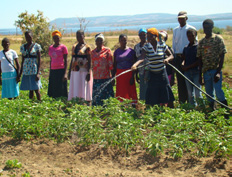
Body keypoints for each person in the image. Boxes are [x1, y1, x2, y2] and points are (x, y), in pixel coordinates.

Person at [132, 28, 174, 106]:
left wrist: (167, 59)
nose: (149, 38)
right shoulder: (146, 46)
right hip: (152, 74)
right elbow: (142, 57)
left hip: (162, 74)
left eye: (151, 36)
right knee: (152, 94)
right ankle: (153, 112)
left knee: (166, 91)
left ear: (155, 36)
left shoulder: (162, 44)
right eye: (148, 36)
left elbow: (171, 55)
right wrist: (135, 65)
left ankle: (170, 109)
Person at [197, 19, 229, 111]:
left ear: (212, 27)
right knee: (209, 93)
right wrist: (200, 75)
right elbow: (199, 59)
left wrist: (218, 72)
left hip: (215, 71)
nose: (206, 30)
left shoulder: (218, 39)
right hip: (206, 71)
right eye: (205, 28)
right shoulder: (202, 42)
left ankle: (226, 111)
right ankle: (213, 111)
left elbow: (222, 55)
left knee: (219, 92)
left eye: (208, 28)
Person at [172, 11, 197, 104]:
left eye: (182, 18)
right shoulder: (175, 30)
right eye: (179, 18)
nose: (181, 20)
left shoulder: (191, 29)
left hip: (188, 58)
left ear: (186, 18)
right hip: (178, 57)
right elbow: (174, 44)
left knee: (189, 79)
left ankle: (192, 101)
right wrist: (174, 57)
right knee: (180, 80)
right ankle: (182, 100)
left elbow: (195, 44)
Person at [68, 30, 93, 104]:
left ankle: (84, 101)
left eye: (80, 36)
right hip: (74, 70)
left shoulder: (87, 47)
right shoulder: (74, 46)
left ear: (84, 36)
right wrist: (69, 71)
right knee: (76, 85)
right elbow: (72, 59)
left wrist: (89, 72)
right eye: (77, 36)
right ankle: (76, 101)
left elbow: (89, 60)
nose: (78, 38)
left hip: (84, 70)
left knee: (83, 86)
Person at [113, 34, 137, 103]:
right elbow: (114, 65)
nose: (123, 42)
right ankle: (122, 107)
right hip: (120, 75)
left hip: (129, 74)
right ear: (119, 41)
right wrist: (113, 77)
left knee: (131, 90)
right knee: (121, 91)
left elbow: (134, 65)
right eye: (122, 40)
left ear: (127, 41)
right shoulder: (116, 52)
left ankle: (133, 106)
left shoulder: (131, 51)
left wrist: (133, 76)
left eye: (125, 40)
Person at [91, 33, 114, 106]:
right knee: (97, 97)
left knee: (106, 98)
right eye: (97, 40)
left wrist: (113, 78)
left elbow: (111, 65)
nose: (99, 42)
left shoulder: (107, 51)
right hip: (96, 78)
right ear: (95, 42)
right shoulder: (92, 52)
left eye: (101, 40)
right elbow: (90, 65)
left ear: (103, 42)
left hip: (106, 78)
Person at [182, 29, 202, 106]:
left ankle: (201, 108)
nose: (190, 38)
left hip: (196, 72)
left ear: (195, 36)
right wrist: (183, 64)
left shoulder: (198, 47)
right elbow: (184, 59)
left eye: (192, 36)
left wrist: (188, 67)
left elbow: (199, 61)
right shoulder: (186, 48)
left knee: (198, 93)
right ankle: (193, 109)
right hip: (187, 73)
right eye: (189, 36)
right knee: (190, 93)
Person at [19, 30, 42, 101]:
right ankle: (31, 104)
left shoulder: (37, 46)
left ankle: (40, 102)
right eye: (26, 37)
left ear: (32, 37)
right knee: (30, 89)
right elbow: (22, 61)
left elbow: (39, 60)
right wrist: (20, 74)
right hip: (26, 71)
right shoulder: (23, 47)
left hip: (34, 70)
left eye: (29, 37)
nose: (28, 38)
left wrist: (38, 73)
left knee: (36, 89)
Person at [48, 30, 68, 98]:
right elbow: (51, 60)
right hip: (53, 70)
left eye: (58, 37)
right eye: (55, 38)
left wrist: (65, 73)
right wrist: (50, 70)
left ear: (60, 38)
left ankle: (62, 100)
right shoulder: (50, 48)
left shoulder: (63, 47)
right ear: (53, 39)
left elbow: (66, 60)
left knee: (62, 87)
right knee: (54, 86)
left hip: (61, 69)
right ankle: (54, 100)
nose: (56, 39)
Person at [134, 28, 148, 101]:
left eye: (144, 35)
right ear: (139, 36)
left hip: (150, 70)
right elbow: (136, 60)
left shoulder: (150, 45)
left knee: (150, 88)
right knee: (142, 88)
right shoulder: (136, 47)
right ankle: (144, 105)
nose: (143, 36)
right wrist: (136, 74)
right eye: (141, 35)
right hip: (141, 71)